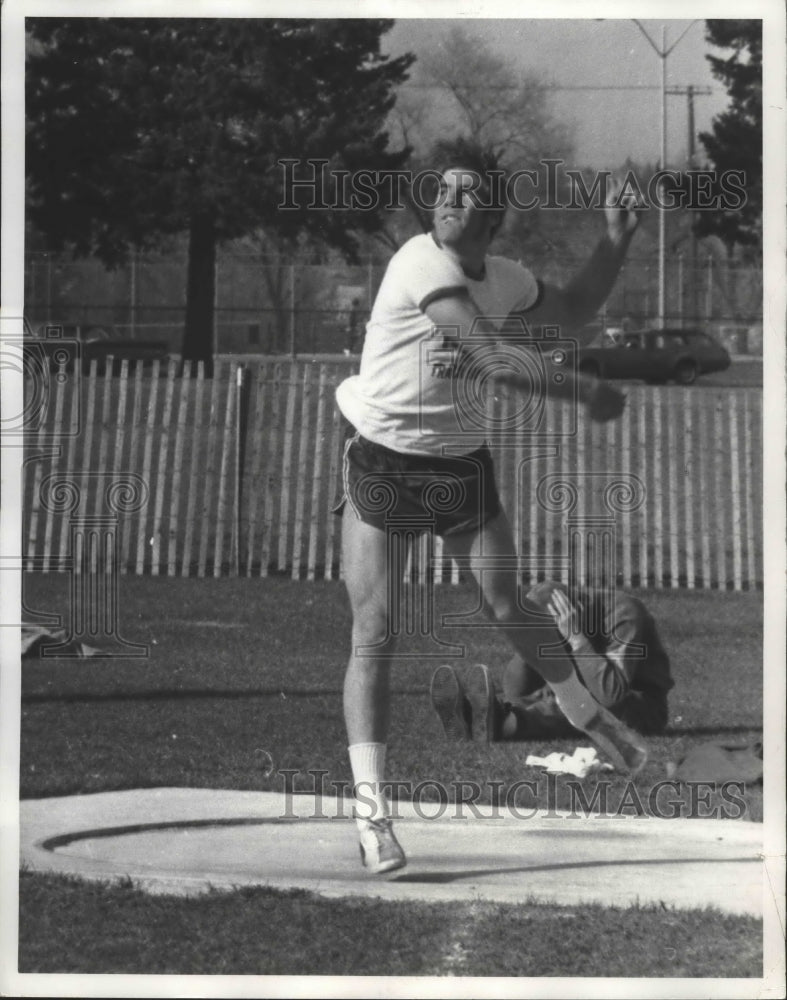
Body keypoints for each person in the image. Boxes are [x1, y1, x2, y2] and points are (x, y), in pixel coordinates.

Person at [334, 139, 646, 874]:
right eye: (443, 190)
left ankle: (583, 712)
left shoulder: (501, 276)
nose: (451, 200)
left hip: (459, 467)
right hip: (383, 460)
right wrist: (586, 392)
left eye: (469, 193)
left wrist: (613, 241)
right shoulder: (418, 261)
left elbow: (568, 313)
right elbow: (492, 358)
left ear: (493, 213)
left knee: (510, 608)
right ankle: (373, 818)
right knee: (374, 632)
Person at [429, 580, 674, 743]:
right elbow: (516, 691)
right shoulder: (551, 625)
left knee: (573, 708)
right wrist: (529, 643)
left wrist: (577, 639)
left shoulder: (625, 613)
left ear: (575, 612)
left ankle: (501, 724)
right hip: (579, 692)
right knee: (549, 699)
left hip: (639, 707)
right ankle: (474, 718)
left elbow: (611, 694)